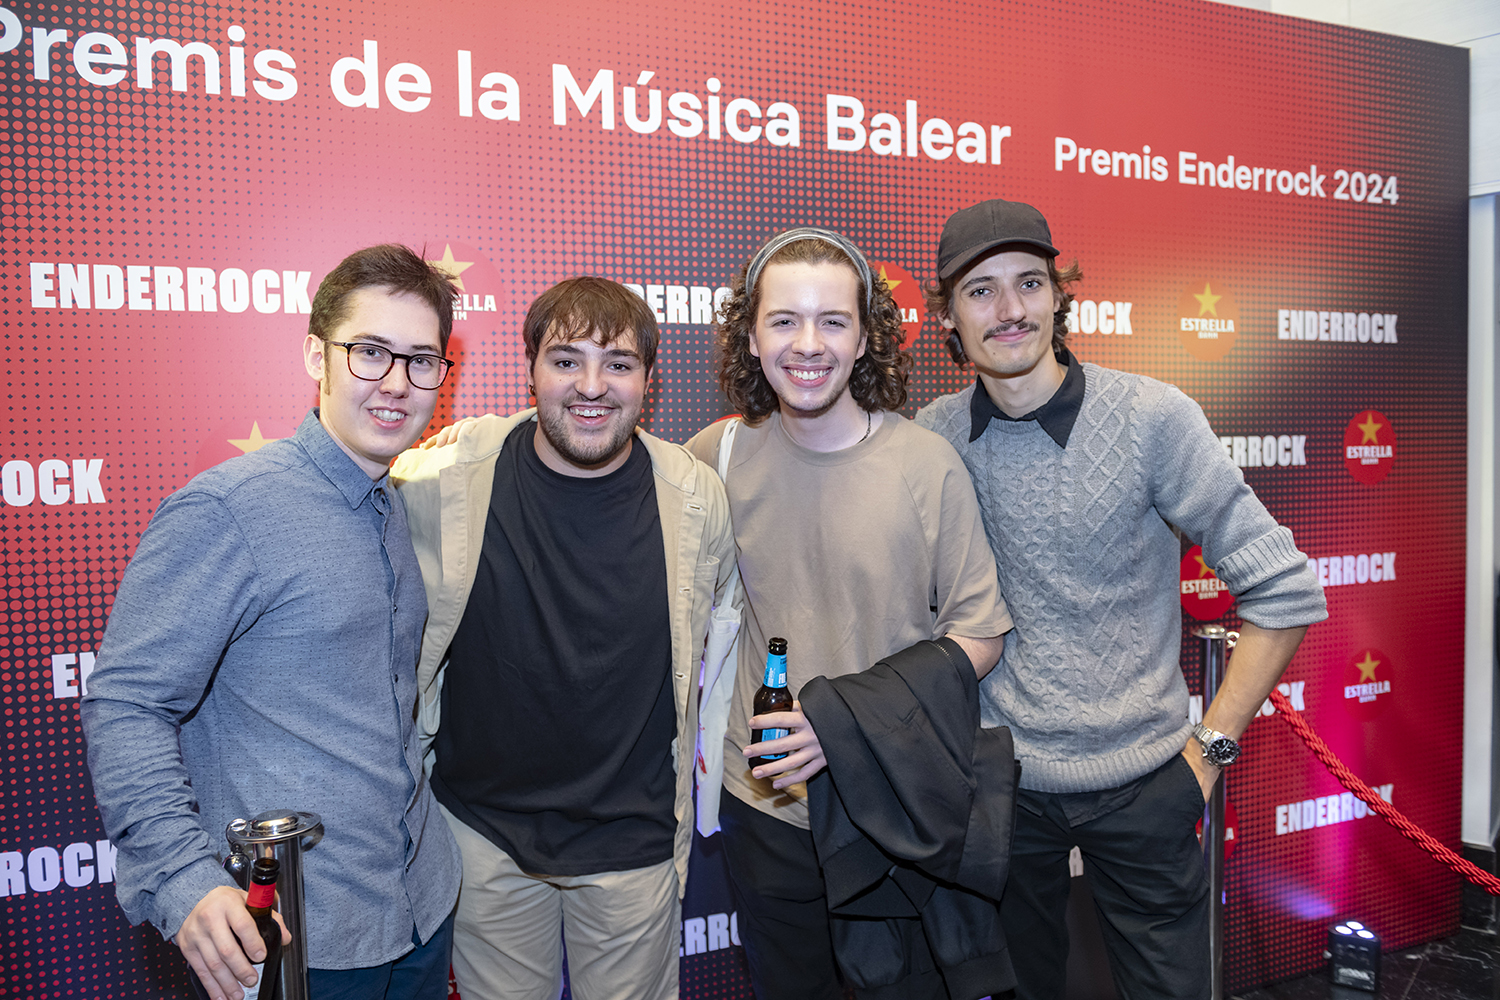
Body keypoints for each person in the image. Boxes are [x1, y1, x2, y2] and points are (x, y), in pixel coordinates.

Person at [915, 198, 1329, 999]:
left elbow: (1283, 590)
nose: (1009, 310)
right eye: (980, 291)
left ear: (1058, 295)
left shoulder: (1151, 418)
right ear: (947, 318)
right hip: (997, 792)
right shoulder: (930, 440)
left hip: (1147, 785)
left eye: (1029, 283)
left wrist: (1207, 756)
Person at [80, 244, 465, 1000]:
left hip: (421, 906)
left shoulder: (393, 502)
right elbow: (127, 703)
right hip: (300, 939)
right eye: (370, 352)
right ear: (316, 356)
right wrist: (183, 876)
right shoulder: (228, 509)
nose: (396, 382)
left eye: (421, 360)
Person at [685, 228, 1013, 999]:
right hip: (766, 806)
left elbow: (980, 634)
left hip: (891, 806)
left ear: (866, 338)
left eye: (833, 321)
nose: (808, 344)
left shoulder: (923, 464)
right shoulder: (714, 458)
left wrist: (842, 725)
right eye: (784, 320)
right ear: (751, 336)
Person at [390, 276, 736, 1000]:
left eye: (618, 364)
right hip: (482, 837)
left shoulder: (697, 496)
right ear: (530, 370)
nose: (592, 386)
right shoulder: (444, 477)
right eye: (566, 360)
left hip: (634, 842)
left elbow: (730, 641)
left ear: (649, 380)